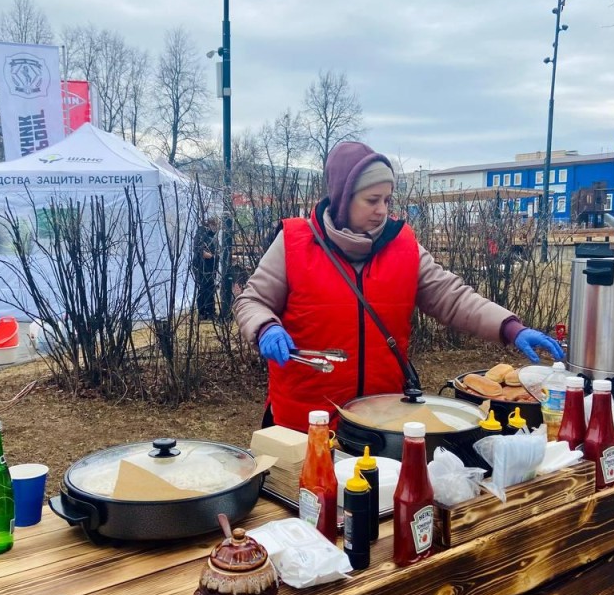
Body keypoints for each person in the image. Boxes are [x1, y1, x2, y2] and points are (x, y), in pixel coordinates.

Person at [233, 141, 563, 433]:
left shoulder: (403, 247)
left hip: (382, 419)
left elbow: (453, 298)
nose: (382, 210)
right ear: (343, 198)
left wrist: (510, 327)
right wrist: (265, 328)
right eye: (371, 199)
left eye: (387, 200)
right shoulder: (294, 242)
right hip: (305, 422)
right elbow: (252, 301)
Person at [192, 216, 220, 321]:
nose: (216, 228)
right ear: (210, 225)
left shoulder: (212, 236)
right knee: (204, 289)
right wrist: (212, 256)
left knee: (210, 289)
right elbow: (200, 251)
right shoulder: (201, 235)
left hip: (210, 267)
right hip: (202, 267)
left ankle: (209, 311)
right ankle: (204, 312)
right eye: (215, 225)